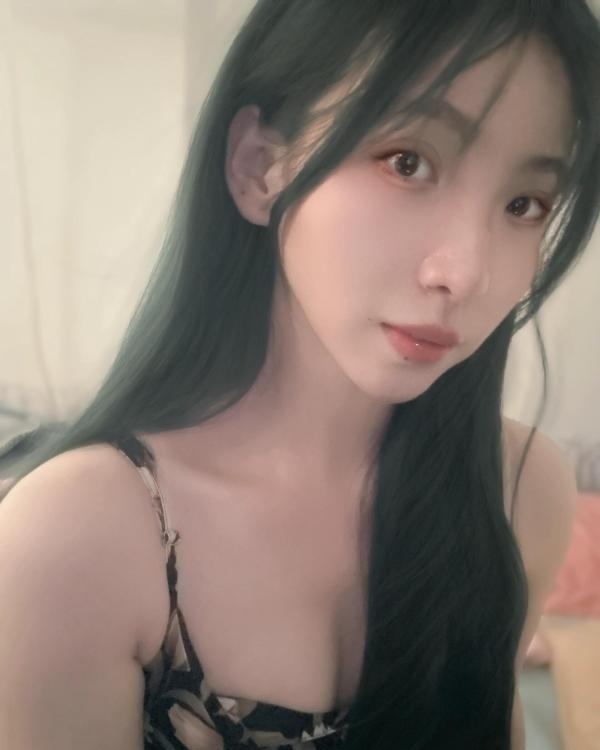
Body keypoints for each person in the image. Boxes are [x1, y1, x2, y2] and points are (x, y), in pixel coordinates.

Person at [1, 1, 599, 748]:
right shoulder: (77, 537)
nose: (466, 272)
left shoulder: (520, 490)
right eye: (407, 161)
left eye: (524, 204)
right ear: (260, 167)